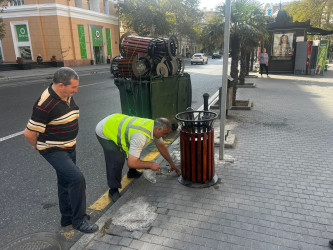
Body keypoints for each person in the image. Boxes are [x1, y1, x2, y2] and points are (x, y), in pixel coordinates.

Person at [23, 67, 99, 234]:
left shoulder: (66, 95)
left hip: (69, 145)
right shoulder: (45, 103)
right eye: (73, 87)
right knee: (77, 179)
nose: (76, 90)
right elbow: (29, 133)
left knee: (65, 182)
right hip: (54, 149)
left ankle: (67, 218)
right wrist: (41, 148)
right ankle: (79, 221)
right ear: (60, 85)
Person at [95, 114, 181, 201]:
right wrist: (151, 165)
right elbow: (131, 162)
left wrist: (172, 163)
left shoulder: (153, 126)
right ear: (158, 129)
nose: (165, 136)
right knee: (117, 159)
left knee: (135, 149)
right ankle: (113, 190)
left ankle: (132, 172)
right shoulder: (140, 137)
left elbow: (161, 146)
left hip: (116, 123)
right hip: (105, 130)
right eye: (165, 133)